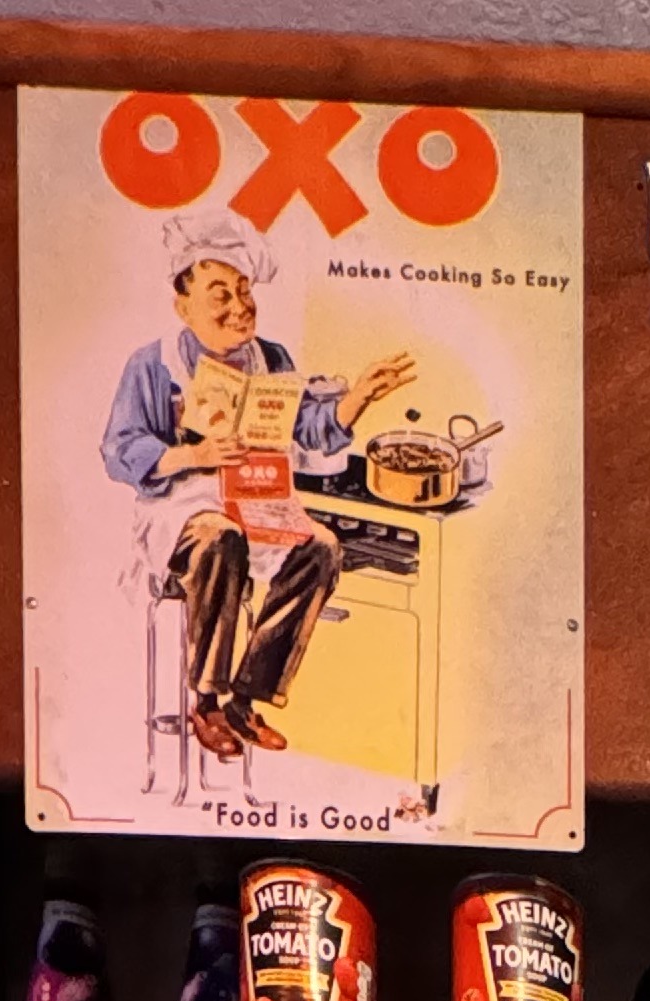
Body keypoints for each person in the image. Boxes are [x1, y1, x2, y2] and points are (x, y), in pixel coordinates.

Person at [99, 226, 415, 763]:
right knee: (221, 538)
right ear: (183, 306)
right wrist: (194, 455)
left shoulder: (271, 358)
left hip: (258, 498)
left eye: (245, 291)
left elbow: (309, 428)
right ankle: (206, 703)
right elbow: (119, 449)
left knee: (321, 547)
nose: (240, 307)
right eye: (220, 295)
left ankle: (246, 698)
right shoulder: (153, 364)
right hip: (183, 508)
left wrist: (358, 397)